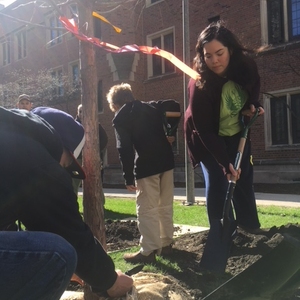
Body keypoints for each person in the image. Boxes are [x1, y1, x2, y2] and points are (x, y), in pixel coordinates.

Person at [0, 106, 133, 299]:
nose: (62, 168)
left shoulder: (13, 138)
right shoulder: (39, 161)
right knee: (60, 254)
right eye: (66, 163)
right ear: (62, 147)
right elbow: (70, 233)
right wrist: (111, 281)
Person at [184, 22, 265, 233]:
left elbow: (253, 86)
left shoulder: (245, 66)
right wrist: (224, 162)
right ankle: (220, 232)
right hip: (207, 138)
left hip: (237, 131)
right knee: (219, 181)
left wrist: (252, 105)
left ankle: (250, 228)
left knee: (243, 178)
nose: (214, 60)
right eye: (208, 55)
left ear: (230, 49)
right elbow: (204, 130)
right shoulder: (198, 84)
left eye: (219, 53)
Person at [106, 83, 180, 264]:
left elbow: (124, 148)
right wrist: (171, 130)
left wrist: (128, 176)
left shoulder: (120, 118)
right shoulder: (152, 106)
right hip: (166, 161)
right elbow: (175, 106)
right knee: (164, 205)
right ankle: (166, 244)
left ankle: (148, 251)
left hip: (146, 166)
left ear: (115, 104)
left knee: (147, 209)